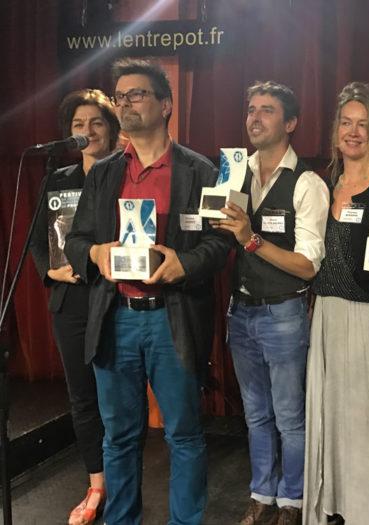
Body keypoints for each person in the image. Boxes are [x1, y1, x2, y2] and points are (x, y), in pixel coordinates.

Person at [64, 58, 231, 524]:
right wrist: (95, 253)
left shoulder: (201, 170)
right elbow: (76, 241)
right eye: (120, 97)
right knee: (118, 437)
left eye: (136, 94)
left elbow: (220, 243)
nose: (125, 104)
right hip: (115, 317)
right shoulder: (103, 173)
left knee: (184, 434)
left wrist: (184, 264)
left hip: (171, 318)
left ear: (166, 105)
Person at [212, 81, 329, 525]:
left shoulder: (307, 183)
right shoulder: (233, 172)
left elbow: (308, 266)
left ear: (291, 123)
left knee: (289, 418)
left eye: (267, 110)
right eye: (251, 109)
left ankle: (292, 502)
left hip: (284, 313)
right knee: (256, 414)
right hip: (240, 311)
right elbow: (213, 233)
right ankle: (262, 494)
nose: (254, 118)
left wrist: (251, 239)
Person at [303, 82, 369, 525]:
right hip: (327, 316)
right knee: (332, 420)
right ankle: (334, 508)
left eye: (362, 125)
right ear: (335, 132)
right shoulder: (322, 185)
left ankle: (368, 513)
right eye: (346, 123)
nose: (353, 132)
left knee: (366, 422)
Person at [29, 88, 119, 525]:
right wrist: (52, 272)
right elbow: (37, 241)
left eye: (96, 122)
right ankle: (96, 485)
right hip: (70, 301)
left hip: (115, 297)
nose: (88, 131)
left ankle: (123, 482)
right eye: (79, 124)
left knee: (116, 399)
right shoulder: (57, 179)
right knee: (83, 398)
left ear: (112, 128)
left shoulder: (126, 175)